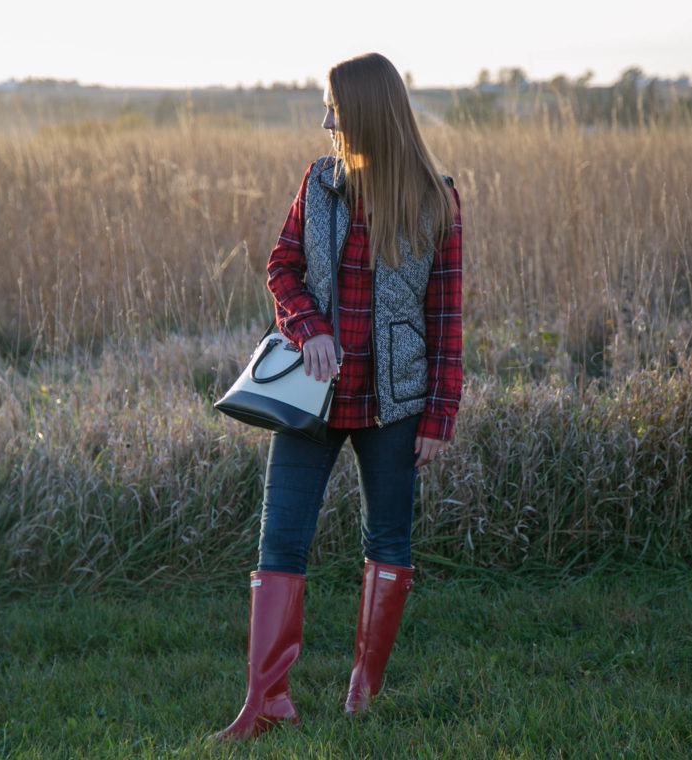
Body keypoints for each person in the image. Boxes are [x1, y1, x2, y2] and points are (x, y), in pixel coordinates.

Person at [214, 52, 463, 741]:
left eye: (336, 109)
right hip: (309, 401)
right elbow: (281, 267)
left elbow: (446, 319)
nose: (326, 121)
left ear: (368, 114)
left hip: (396, 403)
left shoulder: (436, 198)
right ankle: (266, 702)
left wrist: (440, 412)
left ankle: (363, 691)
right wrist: (309, 326)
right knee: (279, 542)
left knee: (388, 539)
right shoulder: (318, 183)